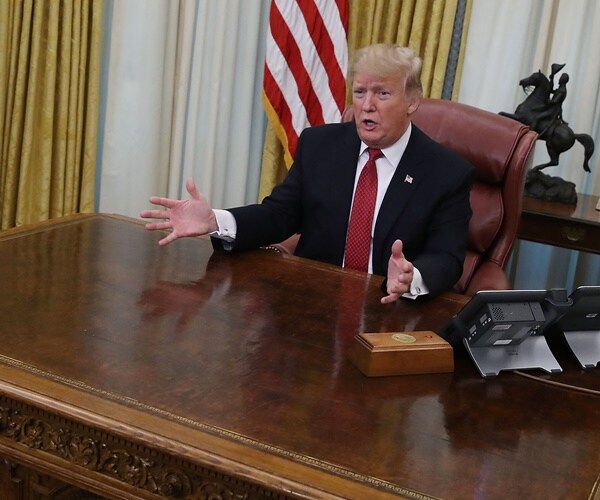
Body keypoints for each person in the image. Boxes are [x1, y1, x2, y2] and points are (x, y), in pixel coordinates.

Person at [141, 44, 474, 304]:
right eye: (360, 92)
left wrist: (412, 277)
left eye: (382, 93)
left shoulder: (446, 172)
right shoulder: (320, 145)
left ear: (412, 101)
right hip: (313, 302)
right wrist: (216, 221)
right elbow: (280, 215)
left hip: (391, 309)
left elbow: (447, 257)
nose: (367, 105)